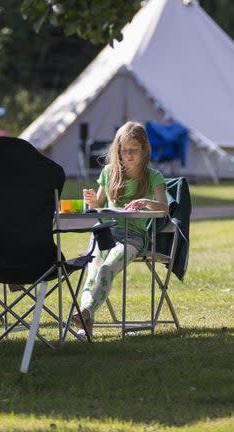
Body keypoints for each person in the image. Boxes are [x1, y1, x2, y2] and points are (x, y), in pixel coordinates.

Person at [72, 121, 169, 338]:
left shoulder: (153, 176)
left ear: (145, 150)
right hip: (104, 231)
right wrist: (91, 201)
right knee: (93, 269)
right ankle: (85, 317)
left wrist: (146, 202)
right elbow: (97, 205)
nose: (128, 156)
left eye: (133, 150)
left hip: (133, 238)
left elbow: (164, 209)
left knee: (107, 268)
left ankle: (85, 314)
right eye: (123, 151)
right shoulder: (109, 172)